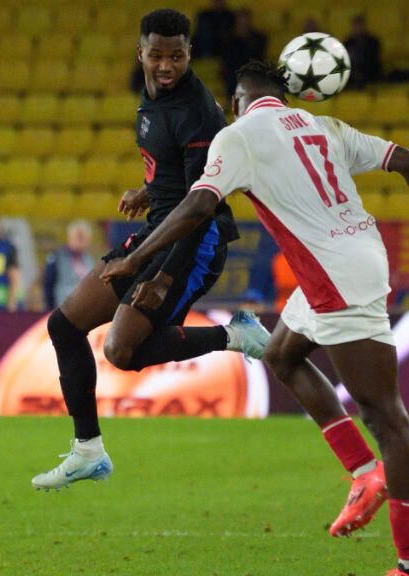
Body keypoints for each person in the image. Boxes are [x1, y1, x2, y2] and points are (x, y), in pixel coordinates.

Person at [102, 60, 409, 575]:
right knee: (281, 354)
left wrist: (136, 259)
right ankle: (363, 472)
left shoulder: (238, 135)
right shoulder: (323, 126)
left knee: (386, 414)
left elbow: (200, 206)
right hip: (353, 256)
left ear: (235, 101)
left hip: (334, 277)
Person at [31, 9, 269, 491]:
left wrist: (162, 276)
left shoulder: (197, 112)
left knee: (121, 350)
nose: (166, 65)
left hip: (192, 243)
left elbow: (202, 203)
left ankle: (236, 337)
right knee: (64, 325)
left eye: (176, 56)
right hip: (159, 228)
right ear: (140, 52)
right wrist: (148, 189)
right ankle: (87, 451)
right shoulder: (153, 95)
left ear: (189, 55)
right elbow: (177, 173)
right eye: (157, 55)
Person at [43, 220, 95, 311]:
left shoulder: (88, 259)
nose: (82, 241)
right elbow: (48, 284)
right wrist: (49, 309)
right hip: (62, 309)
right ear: (70, 237)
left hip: (84, 311)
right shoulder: (57, 257)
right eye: (79, 237)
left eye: (84, 238)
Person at [221, 8, 267, 95]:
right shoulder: (228, 40)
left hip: (252, 74)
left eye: (246, 21)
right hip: (234, 76)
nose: (243, 25)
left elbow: (259, 59)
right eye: (241, 22)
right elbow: (228, 62)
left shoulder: (258, 39)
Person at [343, 14, 383, 89]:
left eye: (360, 26)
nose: (358, 29)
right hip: (353, 71)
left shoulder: (373, 41)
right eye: (355, 26)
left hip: (369, 70)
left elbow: (373, 58)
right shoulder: (347, 42)